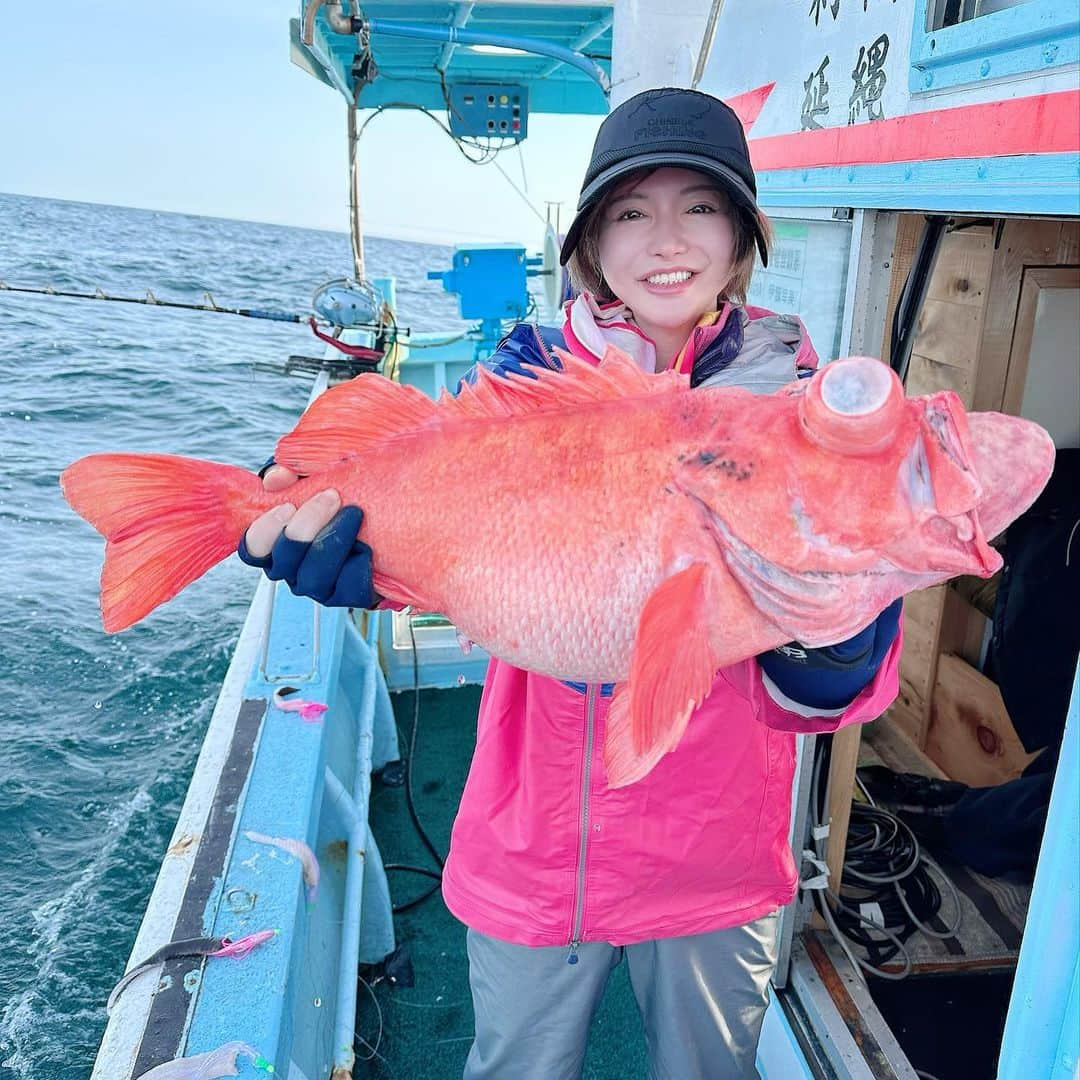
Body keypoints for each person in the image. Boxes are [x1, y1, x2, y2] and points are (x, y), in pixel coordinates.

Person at [239, 87, 902, 1079]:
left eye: (701, 206)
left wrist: (837, 637)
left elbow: (825, 683)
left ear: (741, 236)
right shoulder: (522, 380)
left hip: (717, 843)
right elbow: (453, 542)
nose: (665, 238)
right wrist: (363, 565)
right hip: (541, 840)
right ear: (590, 243)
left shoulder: (802, 407)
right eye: (630, 212)